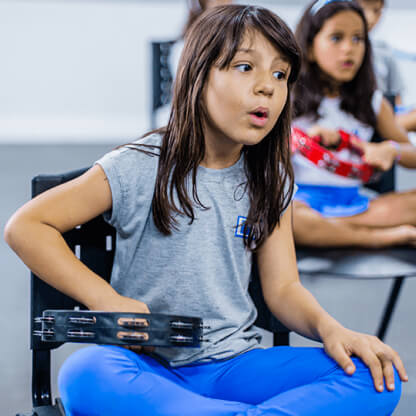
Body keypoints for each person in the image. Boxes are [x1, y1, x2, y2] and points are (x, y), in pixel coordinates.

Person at [4, 5, 406, 416]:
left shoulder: (270, 179)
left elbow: (284, 289)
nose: (267, 87)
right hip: (147, 367)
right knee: (84, 372)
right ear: (198, 76)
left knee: (373, 374)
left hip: (235, 366)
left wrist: (331, 329)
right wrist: (104, 297)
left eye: (280, 74)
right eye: (246, 67)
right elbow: (27, 226)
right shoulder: (139, 164)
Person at [291, 0, 416, 248]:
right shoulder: (288, 96)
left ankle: (332, 234)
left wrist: (393, 150)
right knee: (286, 219)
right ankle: (378, 237)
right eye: (336, 38)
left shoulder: (374, 103)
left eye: (358, 39)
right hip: (299, 203)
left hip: (354, 205)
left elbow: (411, 153)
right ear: (311, 47)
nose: (349, 49)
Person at [356, 0, 416, 132]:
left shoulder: (383, 51)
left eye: (376, 11)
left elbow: (397, 104)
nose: (370, 17)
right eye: (362, 9)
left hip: (384, 122)